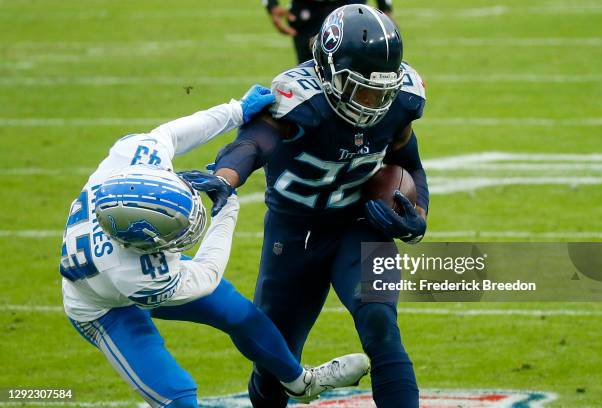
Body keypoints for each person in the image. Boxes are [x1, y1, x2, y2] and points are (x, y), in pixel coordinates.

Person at [60, 85, 370, 408]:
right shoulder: (137, 274)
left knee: (239, 312)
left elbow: (173, 133)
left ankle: (299, 383)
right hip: (101, 306)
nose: (188, 230)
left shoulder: (136, 154)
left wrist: (236, 110)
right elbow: (207, 273)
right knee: (178, 395)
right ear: (147, 242)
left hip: (126, 265)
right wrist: (228, 209)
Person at [196, 5, 428, 407]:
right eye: (363, 89)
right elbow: (253, 144)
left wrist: (417, 216)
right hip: (295, 231)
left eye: (382, 92)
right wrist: (225, 178)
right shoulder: (300, 99)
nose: (374, 103)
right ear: (328, 70)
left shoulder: (401, 100)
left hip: (360, 221)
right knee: (274, 364)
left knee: (380, 323)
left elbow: (408, 165)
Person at [264, 0, 393, 63]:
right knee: (310, 74)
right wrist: (271, 5)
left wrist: (385, 7)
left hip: (350, 5)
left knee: (359, 68)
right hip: (308, 10)